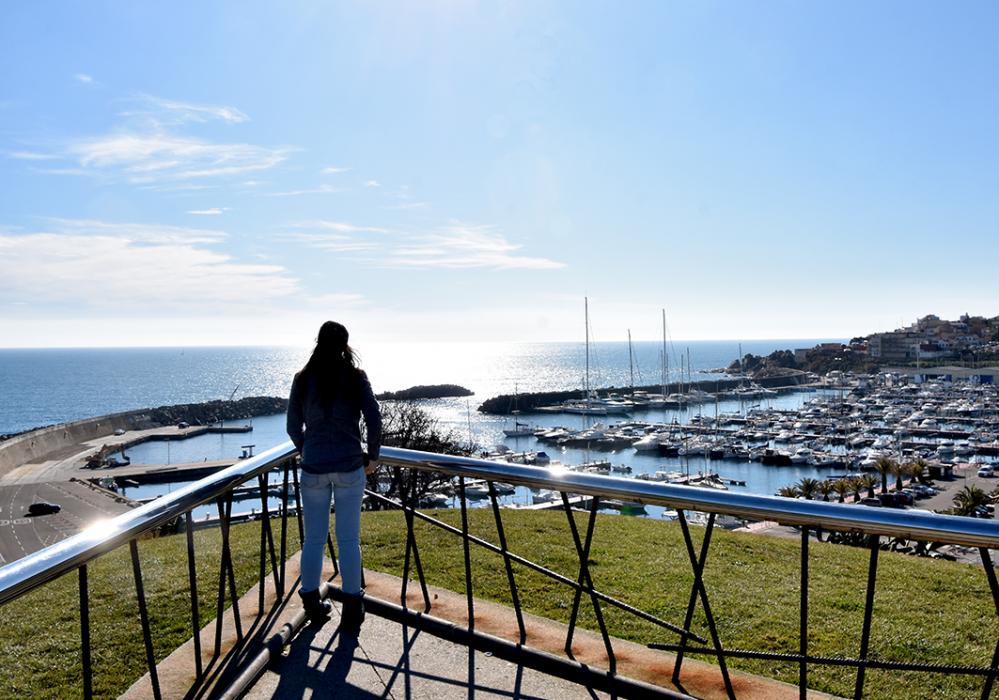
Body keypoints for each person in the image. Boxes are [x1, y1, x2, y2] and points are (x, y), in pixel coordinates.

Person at [287, 321, 381, 633]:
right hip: (349, 466)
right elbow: (373, 417)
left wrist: (308, 449)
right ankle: (353, 608)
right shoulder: (355, 377)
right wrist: (374, 455)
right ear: (344, 344)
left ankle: (312, 603)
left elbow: (292, 426)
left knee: (313, 539)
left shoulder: (302, 379)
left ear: (318, 341)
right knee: (349, 539)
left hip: (313, 467)